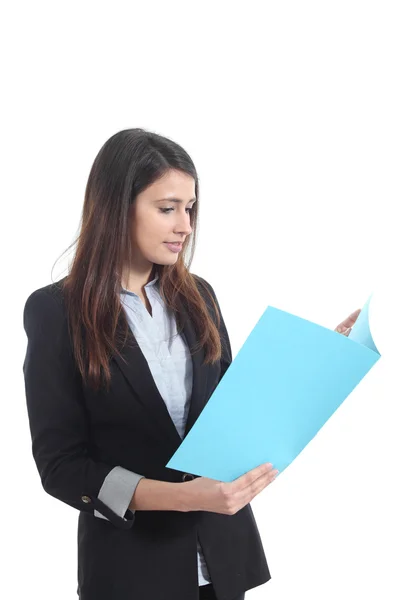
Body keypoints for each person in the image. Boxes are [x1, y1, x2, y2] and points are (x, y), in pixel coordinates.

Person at [22, 127, 279, 600]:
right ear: (117, 208)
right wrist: (182, 499)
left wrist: (312, 361)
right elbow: (62, 466)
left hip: (223, 564)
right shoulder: (56, 311)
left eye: (190, 208)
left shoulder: (199, 296)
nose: (185, 225)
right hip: (132, 573)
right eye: (167, 208)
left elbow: (231, 413)